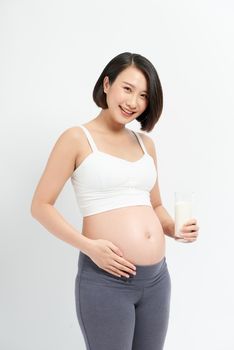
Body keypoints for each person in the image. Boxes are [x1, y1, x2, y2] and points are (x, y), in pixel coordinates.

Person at [31, 52, 199, 350]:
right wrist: (90, 247)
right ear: (107, 84)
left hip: (157, 280)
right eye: (128, 89)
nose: (133, 102)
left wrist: (175, 229)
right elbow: (41, 206)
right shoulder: (76, 138)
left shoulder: (145, 143)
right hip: (106, 279)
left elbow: (156, 207)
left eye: (144, 95)